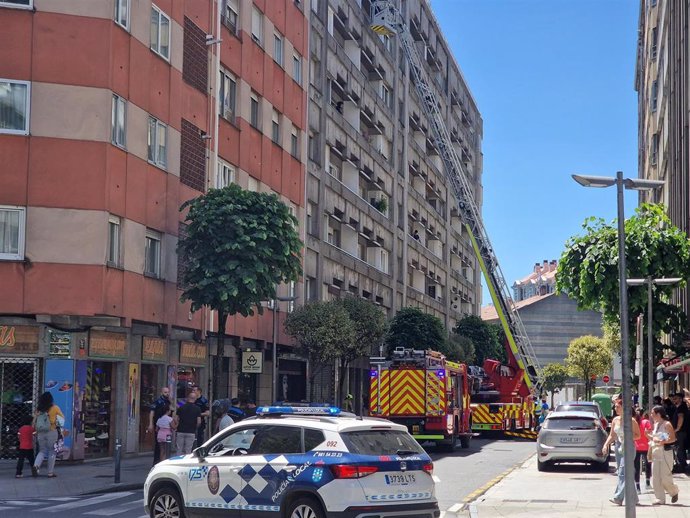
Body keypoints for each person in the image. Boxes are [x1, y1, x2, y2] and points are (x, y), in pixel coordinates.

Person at [602, 396, 641, 506]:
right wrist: (606, 445)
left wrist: (628, 436)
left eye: (617, 407)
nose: (615, 409)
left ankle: (618, 497)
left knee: (623, 473)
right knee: (623, 472)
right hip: (619, 447)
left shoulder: (631, 420)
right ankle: (634, 498)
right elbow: (612, 435)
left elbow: (638, 435)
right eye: (615, 407)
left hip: (629, 447)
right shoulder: (615, 420)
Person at [648, 405, 680, 505]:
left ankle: (673, 491)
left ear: (658, 414)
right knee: (655, 476)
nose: (651, 415)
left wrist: (663, 442)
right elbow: (654, 438)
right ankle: (659, 498)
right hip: (656, 452)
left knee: (665, 476)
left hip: (665, 453)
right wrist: (648, 436)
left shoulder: (667, 424)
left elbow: (673, 438)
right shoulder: (656, 424)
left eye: (653, 413)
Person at [33, 391, 63, 478]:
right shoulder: (55, 408)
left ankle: (36, 466)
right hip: (51, 432)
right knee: (52, 452)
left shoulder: (38, 410)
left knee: (42, 451)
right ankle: (50, 472)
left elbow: (34, 421)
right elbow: (62, 420)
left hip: (40, 432)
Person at [147, 386, 171, 465]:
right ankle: (156, 462)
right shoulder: (157, 401)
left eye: (168, 392)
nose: (167, 394)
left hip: (167, 425)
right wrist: (150, 424)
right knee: (159, 444)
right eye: (165, 392)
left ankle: (163, 461)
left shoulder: (168, 401)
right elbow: (152, 412)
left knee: (166, 445)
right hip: (159, 424)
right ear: (161, 393)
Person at [634, 408, 652, 493]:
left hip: (636, 447)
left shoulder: (634, 423)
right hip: (646, 447)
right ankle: (647, 482)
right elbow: (649, 432)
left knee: (636, 467)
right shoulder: (646, 422)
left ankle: (637, 487)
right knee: (648, 465)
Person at [671, 392, 689, 472]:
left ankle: (681, 466)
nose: (674, 400)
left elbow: (680, 417)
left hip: (681, 432)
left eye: (675, 398)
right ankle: (682, 464)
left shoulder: (681, 408)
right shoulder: (681, 407)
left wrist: (677, 428)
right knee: (680, 448)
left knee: (679, 448)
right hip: (682, 431)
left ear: (680, 399)